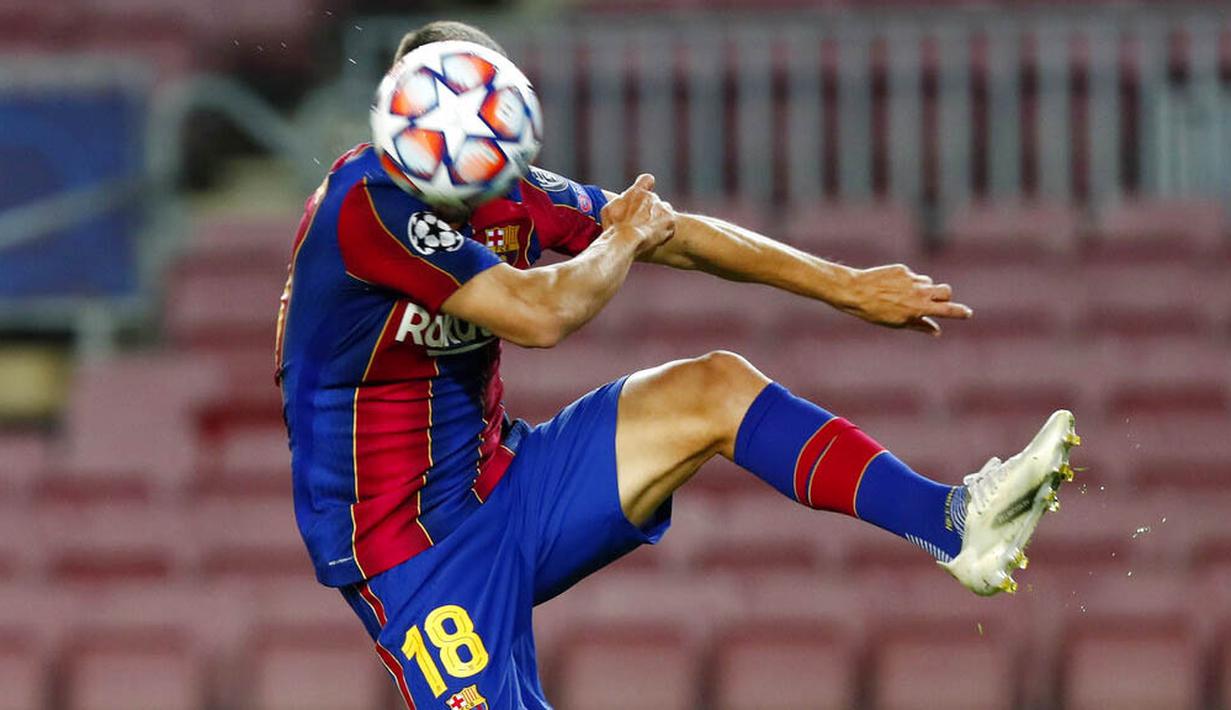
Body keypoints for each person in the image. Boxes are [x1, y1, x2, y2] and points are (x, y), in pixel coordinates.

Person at [275, 20, 1079, 709]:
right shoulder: (363, 206)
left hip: (507, 484)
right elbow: (542, 312)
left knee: (715, 388)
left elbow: (676, 233)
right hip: (411, 553)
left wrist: (845, 287)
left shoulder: (510, 192)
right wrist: (620, 239)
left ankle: (951, 524)